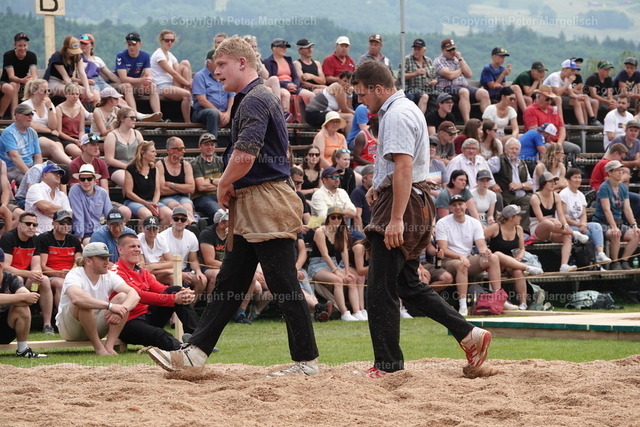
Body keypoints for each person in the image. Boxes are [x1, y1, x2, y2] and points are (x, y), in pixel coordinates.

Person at [147, 37, 320, 375]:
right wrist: (231, 184)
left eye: (222, 65)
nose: (216, 71)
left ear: (242, 63)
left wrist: (223, 183)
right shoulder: (255, 97)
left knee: (283, 284)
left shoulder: (254, 99)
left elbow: (245, 154)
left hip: (264, 200)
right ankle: (196, 353)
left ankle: (306, 361)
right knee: (230, 281)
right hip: (256, 200)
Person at [351, 60, 492, 377]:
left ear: (378, 88)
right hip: (413, 201)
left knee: (380, 289)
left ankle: (388, 365)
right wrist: (377, 185)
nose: (360, 100)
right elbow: (402, 169)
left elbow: (403, 167)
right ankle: (468, 334)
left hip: (402, 206)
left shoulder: (396, 115)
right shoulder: (407, 109)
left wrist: (395, 218)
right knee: (409, 285)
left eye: (362, 93)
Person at [113, 233, 199, 350]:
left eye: (138, 246)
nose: (137, 249)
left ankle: (197, 339)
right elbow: (139, 295)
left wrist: (184, 294)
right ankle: (184, 349)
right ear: (120, 250)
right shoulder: (116, 271)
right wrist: (174, 298)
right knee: (160, 335)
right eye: (132, 246)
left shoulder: (142, 271)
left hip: (146, 316)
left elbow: (161, 289)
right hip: (128, 323)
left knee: (175, 290)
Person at [56, 242, 139, 355]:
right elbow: (77, 298)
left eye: (107, 258)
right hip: (71, 330)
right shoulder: (74, 274)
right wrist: (110, 306)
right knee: (84, 302)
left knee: (123, 297)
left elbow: (134, 294)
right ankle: (99, 348)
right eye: (102, 258)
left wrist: (122, 309)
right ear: (88, 261)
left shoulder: (109, 275)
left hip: (96, 326)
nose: (107, 262)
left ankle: (109, 346)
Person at [437, 195, 503, 315]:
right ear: (450, 208)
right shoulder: (442, 223)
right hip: (448, 260)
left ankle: (498, 298)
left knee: (493, 258)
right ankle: (463, 306)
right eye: (454, 205)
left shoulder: (474, 222)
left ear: (466, 205)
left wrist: (485, 251)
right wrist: (459, 256)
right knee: (462, 264)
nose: (458, 207)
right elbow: (443, 249)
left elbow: (481, 246)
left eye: (460, 204)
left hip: (468, 258)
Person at [0, 212, 53, 334]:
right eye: (28, 224)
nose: (31, 227)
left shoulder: (35, 239)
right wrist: (28, 274)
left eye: (34, 225)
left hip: (26, 277)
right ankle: (10, 317)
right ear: (19, 225)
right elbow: (5, 267)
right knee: (18, 278)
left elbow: (36, 265)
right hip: (12, 277)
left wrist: (36, 274)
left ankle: (47, 324)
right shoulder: (8, 237)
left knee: (44, 280)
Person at [307, 207, 363, 321]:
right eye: (333, 217)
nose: (337, 220)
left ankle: (357, 311)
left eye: (339, 217)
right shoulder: (320, 231)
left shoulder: (342, 231)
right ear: (328, 218)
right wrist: (336, 271)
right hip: (317, 264)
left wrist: (346, 271)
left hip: (333, 263)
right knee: (338, 280)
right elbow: (324, 255)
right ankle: (344, 312)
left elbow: (344, 251)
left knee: (351, 279)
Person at [484, 205, 543, 310]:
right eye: (518, 216)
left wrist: (519, 257)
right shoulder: (496, 227)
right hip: (496, 263)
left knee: (518, 271)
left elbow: (522, 248)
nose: (520, 218)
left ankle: (523, 303)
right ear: (511, 217)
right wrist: (485, 250)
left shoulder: (518, 229)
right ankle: (527, 267)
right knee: (497, 254)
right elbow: (479, 238)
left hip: (512, 262)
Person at [530, 172, 588, 272]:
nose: (553, 184)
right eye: (550, 182)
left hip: (553, 228)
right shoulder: (535, 197)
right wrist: (554, 220)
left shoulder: (556, 196)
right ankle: (574, 233)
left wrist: (565, 225)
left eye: (554, 182)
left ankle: (564, 265)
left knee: (567, 236)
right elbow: (540, 219)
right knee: (547, 223)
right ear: (543, 183)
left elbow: (561, 215)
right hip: (538, 228)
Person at [591, 160, 640, 270]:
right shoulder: (604, 187)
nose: (621, 172)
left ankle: (624, 260)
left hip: (618, 222)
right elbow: (606, 210)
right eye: (617, 170)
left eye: (621, 170)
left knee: (636, 234)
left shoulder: (623, 188)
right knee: (615, 234)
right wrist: (613, 226)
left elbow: (627, 208)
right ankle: (615, 262)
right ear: (610, 173)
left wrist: (634, 224)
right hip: (602, 223)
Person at [37, 210, 83, 324]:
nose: (66, 226)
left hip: (69, 275)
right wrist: (58, 273)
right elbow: (42, 266)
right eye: (62, 223)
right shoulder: (44, 239)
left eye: (68, 223)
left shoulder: (74, 240)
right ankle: (62, 320)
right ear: (53, 224)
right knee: (60, 283)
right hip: (51, 275)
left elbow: (78, 260)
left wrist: (73, 270)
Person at [560, 168, 612, 267]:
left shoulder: (581, 195)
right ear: (568, 180)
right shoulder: (564, 194)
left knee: (596, 226)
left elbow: (583, 214)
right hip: (567, 226)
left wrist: (583, 224)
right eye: (575, 177)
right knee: (589, 234)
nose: (578, 180)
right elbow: (562, 215)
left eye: (579, 177)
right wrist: (578, 224)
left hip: (579, 223)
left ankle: (600, 254)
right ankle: (596, 265)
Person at [0, 248, 47, 358]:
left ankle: (23, 350)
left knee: (22, 308)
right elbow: (24, 296)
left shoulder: (10, 278)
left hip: (4, 329)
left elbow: (28, 299)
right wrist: (20, 298)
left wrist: (21, 298)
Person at [433, 38, 490, 123]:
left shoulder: (458, 60)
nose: (452, 52)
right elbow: (450, 76)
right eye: (449, 50)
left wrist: (460, 59)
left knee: (484, 93)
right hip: (448, 88)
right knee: (464, 92)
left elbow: (469, 74)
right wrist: (460, 70)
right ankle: (468, 122)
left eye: (453, 49)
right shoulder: (438, 61)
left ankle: (488, 122)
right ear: (442, 50)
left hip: (463, 85)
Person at [20, 79, 72, 166]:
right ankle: (73, 166)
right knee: (52, 146)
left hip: (49, 134)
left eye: (48, 90)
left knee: (59, 147)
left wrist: (49, 108)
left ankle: (57, 171)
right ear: (34, 91)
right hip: (33, 134)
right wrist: (50, 131)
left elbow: (53, 126)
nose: (47, 93)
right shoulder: (26, 105)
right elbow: (31, 126)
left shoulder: (49, 104)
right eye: (43, 91)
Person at [157, 207, 207, 295]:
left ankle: (191, 303)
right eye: (176, 219)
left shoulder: (191, 236)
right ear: (171, 220)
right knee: (175, 279)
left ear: (187, 222)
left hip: (184, 270)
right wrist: (179, 274)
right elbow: (161, 263)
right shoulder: (162, 237)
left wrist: (198, 272)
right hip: (167, 271)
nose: (179, 222)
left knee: (202, 281)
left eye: (183, 219)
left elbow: (193, 260)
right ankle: (176, 303)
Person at [524, 85, 581, 159]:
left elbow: (562, 128)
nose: (550, 102)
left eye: (551, 99)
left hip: (555, 141)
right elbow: (534, 132)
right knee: (551, 148)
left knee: (576, 149)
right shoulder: (530, 110)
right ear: (538, 97)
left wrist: (559, 144)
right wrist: (552, 144)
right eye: (547, 99)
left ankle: (568, 165)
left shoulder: (553, 110)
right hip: (540, 143)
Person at [123, 141, 172, 226]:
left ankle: (157, 233)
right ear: (143, 153)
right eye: (152, 151)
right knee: (147, 215)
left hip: (151, 201)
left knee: (169, 214)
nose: (155, 154)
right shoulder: (131, 169)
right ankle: (141, 233)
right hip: (134, 201)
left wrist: (154, 204)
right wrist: (146, 204)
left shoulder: (154, 169)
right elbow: (129, 192)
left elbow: (157, 191)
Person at [488, 138, 534, 228]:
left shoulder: (522, 163)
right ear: (505, 149)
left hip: (522, 196)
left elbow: (531, 184)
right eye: (512, 148)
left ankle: (521, 229)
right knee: (528, 200)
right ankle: (516, 228)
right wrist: (493, 184)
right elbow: (484, 169)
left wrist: (521, 185)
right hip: (506, 196)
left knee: (533, 198)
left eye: (517, 149)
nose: (514, 151)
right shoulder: (497, 160)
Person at [114, 32, 162, 118]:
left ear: (140, 44)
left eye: (134, 44)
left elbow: (149, 74)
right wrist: (141, 80)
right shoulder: (120, 56)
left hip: (136, 83)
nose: (131, 47)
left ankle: (157, 114)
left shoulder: (145, 56)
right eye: (129, 44)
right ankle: (135, 115)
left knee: (153, 86)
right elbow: (123, 78)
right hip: (120, 84)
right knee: (128, 86)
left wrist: (146, 82)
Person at [262, 38, 315, 115]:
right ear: (274, 48)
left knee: (311, 95)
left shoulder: (288, 60)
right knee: (286, 94)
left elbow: (295, 77)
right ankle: (284, 116)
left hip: (292, 85)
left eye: (285, 47)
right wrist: (285, 86)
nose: (285, 49)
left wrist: (295, 86)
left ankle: (312, 116)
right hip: (279, 86)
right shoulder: (268, 61)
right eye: (282, 47)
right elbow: (269, 77)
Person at [150, 29, 192, 123]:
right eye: (167, 40)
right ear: (161, 40)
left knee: (185, 63)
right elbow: (173, 73)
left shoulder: (170, 55)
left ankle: (189, 94)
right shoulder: (158, 55)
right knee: (186, 94)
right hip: (162, 86)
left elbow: (178, 70)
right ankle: (188, 122)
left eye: (172, 40)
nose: (169, 43)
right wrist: (187, 83)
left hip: (172, 83)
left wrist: (189, 82)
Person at [543, 59, 601, 127]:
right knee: (558, 98)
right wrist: (569, 82)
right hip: (546, 97)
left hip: (557, 97)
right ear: (564, 69)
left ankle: (584, 124)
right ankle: (561, 122)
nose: (573, 73)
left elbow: (570, 93)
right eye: (572, 70)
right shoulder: (555, 76)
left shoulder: (567, 78)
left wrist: (578, 96)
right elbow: (557, 94)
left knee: (578, 99)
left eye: (574, 70)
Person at [191, 50, 235, 137]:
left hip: (224, 111)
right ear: (208, 63)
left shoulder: (226, 75)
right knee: (213, 113)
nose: (220, 66)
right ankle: (212, 141)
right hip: (202, 111)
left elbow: (231, 96)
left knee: (239, 111)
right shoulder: (200, 76)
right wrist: (220, 113)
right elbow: (202, 100)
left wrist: (228, 113)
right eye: (217, 63)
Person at [69, 164, 113, 244]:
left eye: (89, 179)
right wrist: (78, 240)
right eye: (82, 179)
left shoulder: (103, 193)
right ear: (79, 180)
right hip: (85, 233)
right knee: (89, 242)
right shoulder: (74, 191)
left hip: (101, 231)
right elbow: (78, 216)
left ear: (94, 180)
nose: (86, 182)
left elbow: (110, 215)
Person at [43, 36, 94, 104]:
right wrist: (73, 89)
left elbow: (82, 73)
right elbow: (65, 77)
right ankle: (82, 109)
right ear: (66, 48)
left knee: (84, 91)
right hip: (54, 81)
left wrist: (88, 91)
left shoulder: (77, 57)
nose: (73, 53)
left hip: (69, 82)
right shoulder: (57, 57)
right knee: (72, 93)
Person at [158, 137, 197, 225]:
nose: (183, 151)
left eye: (184, 148)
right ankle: (193, 223)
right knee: (177, 206)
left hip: (183, 197)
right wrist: (182, 188)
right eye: (180, 149)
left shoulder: (186, 165)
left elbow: (191, 188)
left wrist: (171, 185)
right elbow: (161, 190)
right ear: (170, 150)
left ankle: (192, 224)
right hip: (165, 198)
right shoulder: (160, 165)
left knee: (187, 207)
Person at [0, 104, 42, 184]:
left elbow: (38, 156)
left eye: (32, 114)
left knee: (53, 174)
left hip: (30, 167)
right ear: (17, 116)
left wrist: (37, 170)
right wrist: (31, 175)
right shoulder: (9, 132)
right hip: (13, 168)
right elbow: (14, 157)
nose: (30, 117)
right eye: (27, 114)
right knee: (30, 182)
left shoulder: (33, 132)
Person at [25, 163, 71, 235]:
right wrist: (62, 212)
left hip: (57, 236)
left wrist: (52, 214)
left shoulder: (62, 195)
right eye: (55, 172)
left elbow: (69, 215)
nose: (58, 175)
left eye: (60, 174)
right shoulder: (35, 188)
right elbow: (45, 207)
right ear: (45, 175)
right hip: (36, 235)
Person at [103, 107, 143, 187]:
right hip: (117, 168)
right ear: (122, 119)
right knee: (128, 182)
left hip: (135, 166)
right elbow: (109, 159)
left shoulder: (137, 134)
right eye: (132, 118)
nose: (135, 120)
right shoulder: (112, 135)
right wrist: (127, 166)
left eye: (135, 118)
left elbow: (143, 152)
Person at [479, 47, 526, 112]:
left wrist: (502, 83)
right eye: (501, 57)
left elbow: (503, 85)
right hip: (491, 94)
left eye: (504, 57)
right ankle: (525, 112)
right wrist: (503, 75)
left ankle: (515, 115)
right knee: (515, 88)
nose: (503, 59)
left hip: (500, 92)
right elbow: (492, 87)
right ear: (494, 57)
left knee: (514, 93)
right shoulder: (488, 69)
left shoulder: (501, 69)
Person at [191, 132, 225, 220]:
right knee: (220, 213)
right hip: (202, 198)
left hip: (220, 195)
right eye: (206, 144)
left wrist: (210, 180)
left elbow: (228, 182)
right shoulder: (195, 163)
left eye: (212, 144)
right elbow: (201, 186)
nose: (210, 147)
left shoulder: (221, 161)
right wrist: (219, 183)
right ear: (200, 146)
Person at [2, 32, 37, 116]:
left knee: (36, 85)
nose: (23, 48)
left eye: (25, 45)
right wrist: (22, 80)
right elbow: (11, 77)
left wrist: (32, 80)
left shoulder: (32, 56)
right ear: (15, 45)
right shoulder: (8, 55)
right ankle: (13, 114)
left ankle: (35, 114)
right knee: (15, 84)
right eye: (20, 46)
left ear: (28, 45)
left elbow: (34, 75)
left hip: (23, 81)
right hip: (6, 81)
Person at [403, 38, 437, 114]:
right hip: (412, 88)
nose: (416, 51)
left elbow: (434, 76)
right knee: (424, 96)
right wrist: (415, 73)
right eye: (415, 49)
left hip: (428, 89)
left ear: (424, 50)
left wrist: (434, 81)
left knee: (442, 97)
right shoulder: (407, 60)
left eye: (419, 49)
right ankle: (420, 118)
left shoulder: (429, 61)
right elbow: (401, 76)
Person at [137, 216, 174, 286]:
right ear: (143, 229)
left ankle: (176, 293)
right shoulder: (138, 240)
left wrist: (153, 266)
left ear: (158, 230)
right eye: (148, 229)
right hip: (143, 275)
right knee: (152, 277)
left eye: (154, 229)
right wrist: (165, 270)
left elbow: (172, 262)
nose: (152, 233)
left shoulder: (161, 239)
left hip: (157, 273)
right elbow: (142, 268)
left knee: (173, 277)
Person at [198, 209, 228, 293]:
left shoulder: (233, 234)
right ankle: (211, 301)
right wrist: (231, 267)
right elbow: (210, 262)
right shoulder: (207, 234)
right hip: (207, 268)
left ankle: (241, 302)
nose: (234, 223)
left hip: (225, 266)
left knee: (256, 283)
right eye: (230, 221)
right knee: (217, 275)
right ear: (221, 224)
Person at [54, 83, 85, 159]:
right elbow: (59, 132)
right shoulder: (59, 108)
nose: (75, 96)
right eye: (72, 94)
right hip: (65, 139)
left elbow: (81, 130)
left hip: (77, 138)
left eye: (77, 94)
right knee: (77, 152)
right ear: (66, 94)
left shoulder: (80, 108)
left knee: (92, 150)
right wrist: (74, 140)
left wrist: (81, 140)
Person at [351, 164, 374, 232]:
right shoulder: (358, 192)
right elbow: (357, 216)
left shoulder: (380, 191)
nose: (375, 179)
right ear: (364, 179)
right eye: (372, 177)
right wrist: (361, 233)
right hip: (365, 228)